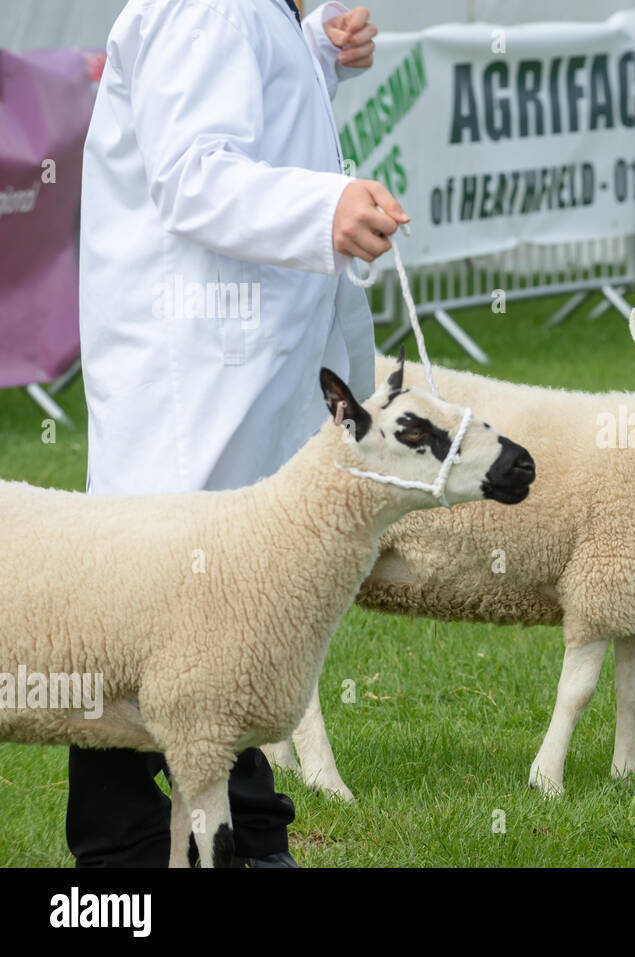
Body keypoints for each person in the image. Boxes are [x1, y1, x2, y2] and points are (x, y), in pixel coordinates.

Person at [70, 0, 409, 867]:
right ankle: (128, 843)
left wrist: (316, 49)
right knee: (167, 603)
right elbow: (193, 174)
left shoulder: (252, 10)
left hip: (243, 354)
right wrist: (326, 205)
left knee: (221, 600)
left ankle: (241, 824)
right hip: (193, 363)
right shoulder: (210, 7)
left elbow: (249, 107)